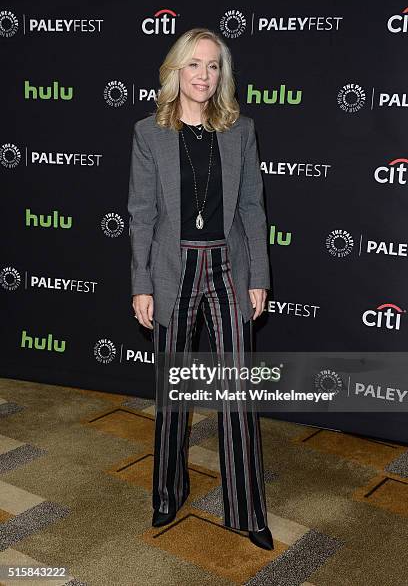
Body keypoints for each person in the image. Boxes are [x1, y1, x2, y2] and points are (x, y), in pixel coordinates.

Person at [127, 27, 273, 550]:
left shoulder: (240, 129)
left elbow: (253, 208)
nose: (204, 76)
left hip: (229, 269)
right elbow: (142, 215)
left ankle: (247, 508)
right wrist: (141, 283)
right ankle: (167, 492)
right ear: (175, 71)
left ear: (223, 73)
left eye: (213, 66)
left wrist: (259, 276)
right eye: (194, 65)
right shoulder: (150, 133)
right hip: (173, 267)